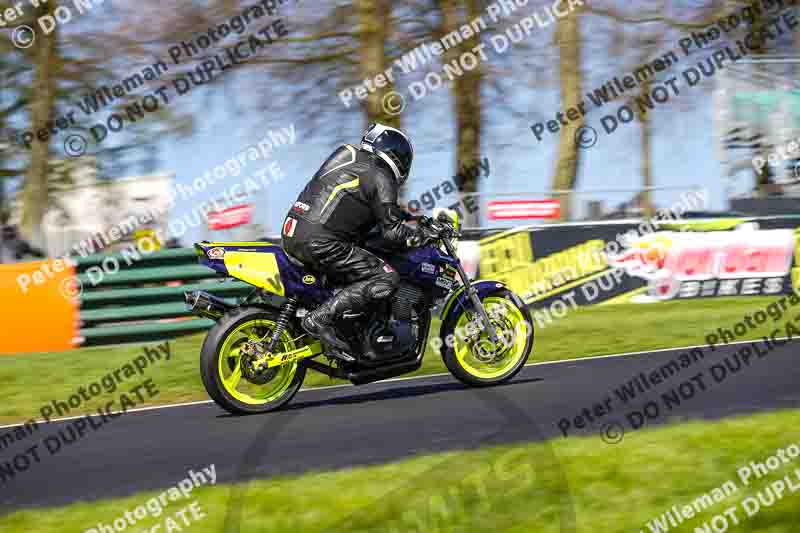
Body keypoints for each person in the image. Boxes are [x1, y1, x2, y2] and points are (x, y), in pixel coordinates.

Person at [281, 122, 427, 358]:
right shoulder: (381, 174)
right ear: (394, 154)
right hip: (322, 242)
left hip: (294, 232)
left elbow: (357, 203)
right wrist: (422, 235)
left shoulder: (347, 156)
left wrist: (407, 216)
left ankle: (350, 329)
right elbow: (392, 233)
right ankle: (320, 319)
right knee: (386, 276)